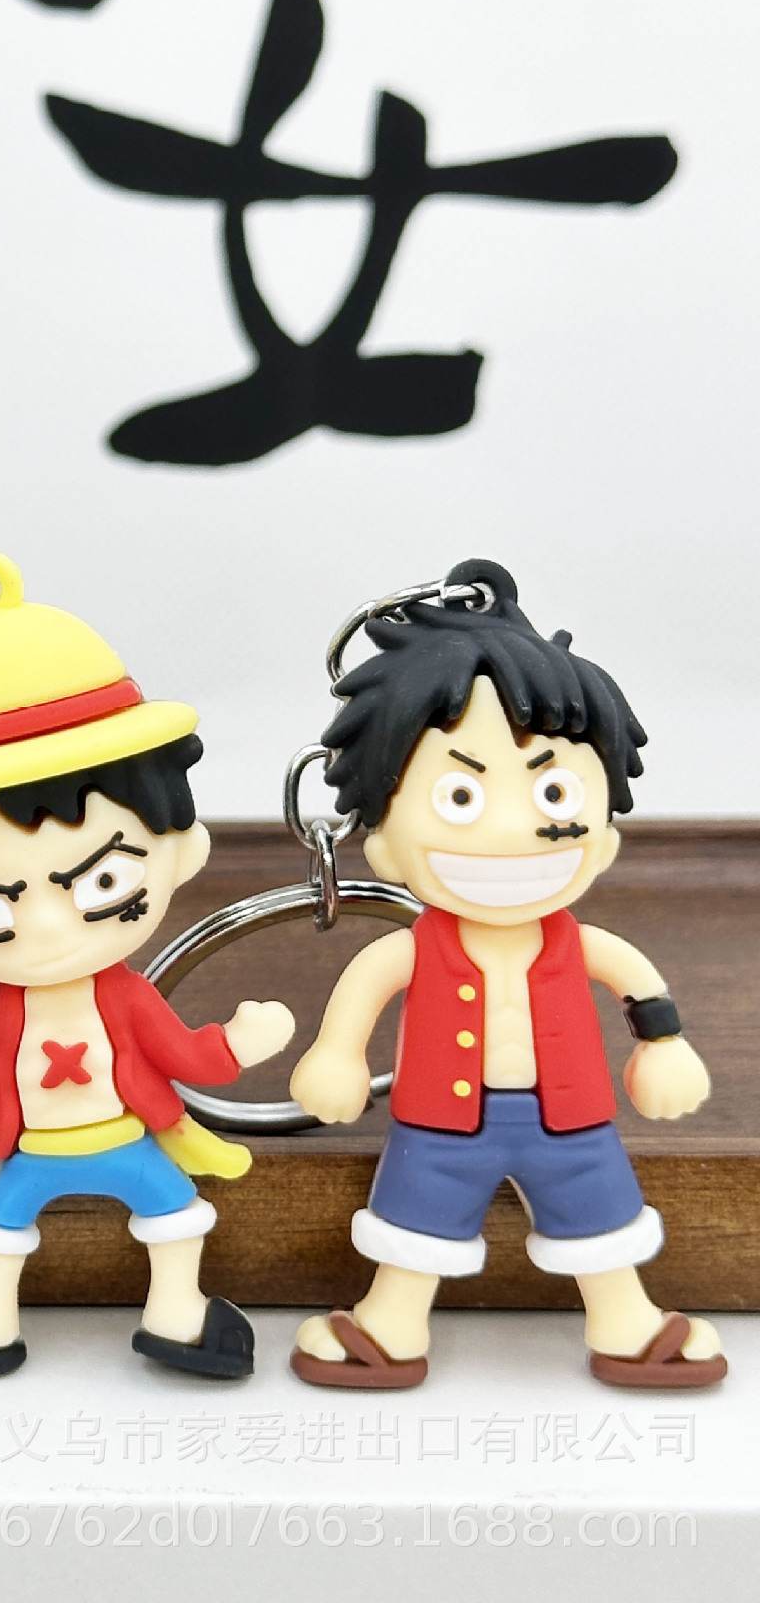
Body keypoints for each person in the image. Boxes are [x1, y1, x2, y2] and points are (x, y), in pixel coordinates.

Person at [0, 551, 293, 1378]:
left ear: (181, 850)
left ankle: (178, 1315)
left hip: (130, 1139)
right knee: (0, 1227)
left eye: (102, 882)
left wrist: (235, 1043)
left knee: (175, 1217)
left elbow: (181, 1054)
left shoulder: (125, 998)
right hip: (32, 1152)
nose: (51, 929)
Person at [288, 559, 723, 1388]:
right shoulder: (414, 947)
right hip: (438, 1122)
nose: (511, 833)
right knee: (414, 1222)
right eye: (460, 798)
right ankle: (388, 1326)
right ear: (382, 842)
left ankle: (629, 1324)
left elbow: (639, 986)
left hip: (572, 1119)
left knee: (601, 1218)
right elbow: (364, 991)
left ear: (604, 834)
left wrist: (664, 1045)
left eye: (553, 792)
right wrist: (336, 1055)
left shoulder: (580, 940)